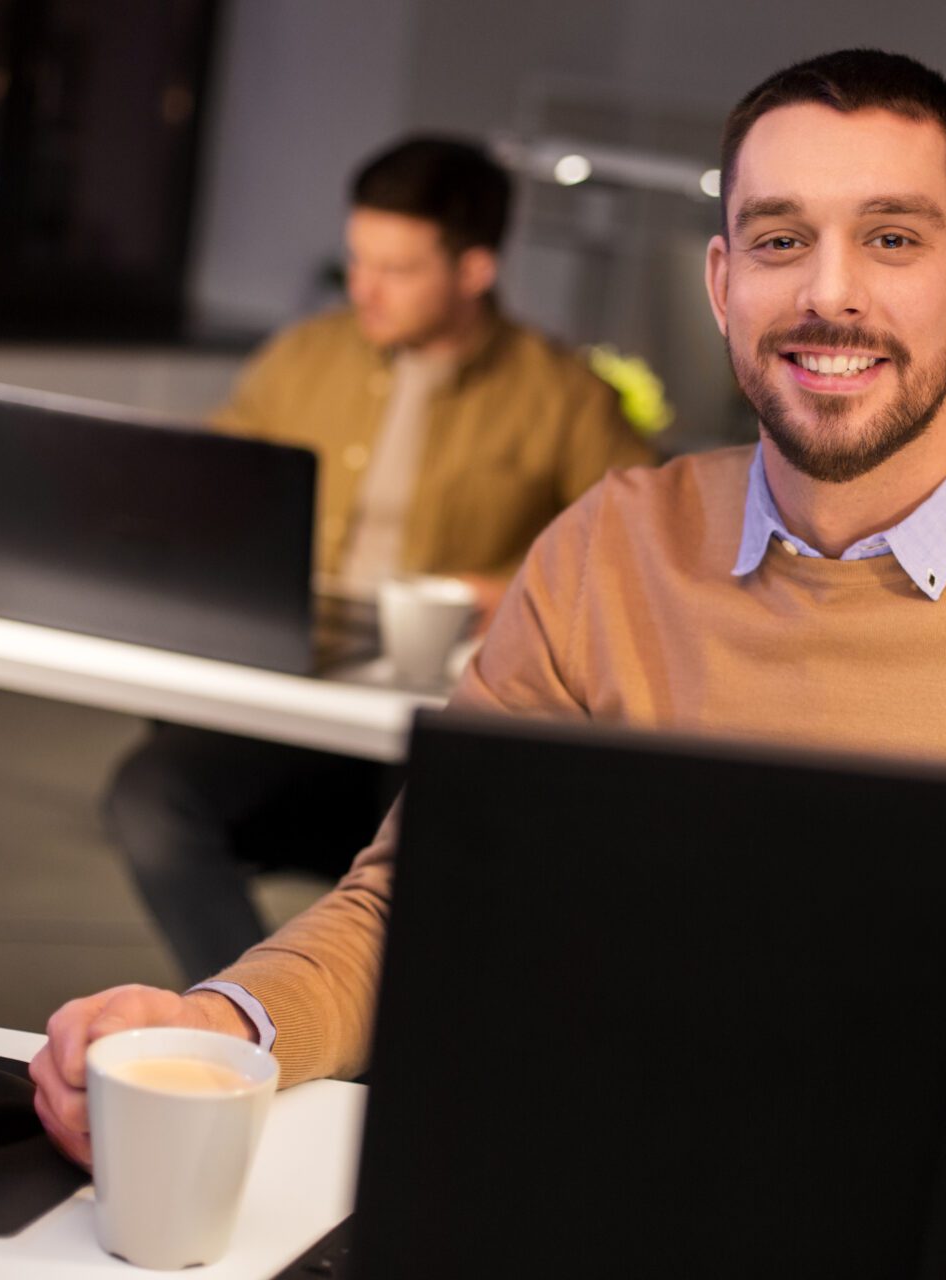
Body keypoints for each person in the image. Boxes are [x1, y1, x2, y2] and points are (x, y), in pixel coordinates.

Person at [34, 49, 946, 1167]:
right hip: (590, 1180)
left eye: (892, 239)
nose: (831, 295)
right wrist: (215, 1017)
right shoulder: (608, 549)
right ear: (723, 281)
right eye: (779, 241)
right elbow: (422, 907)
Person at [103, 137, 654, 985]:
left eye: (396, 268)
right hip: (288, 697)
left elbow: (642, 556)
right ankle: (251, 1016)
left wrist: (507, 592)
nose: (364, 287)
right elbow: (202, 498)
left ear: (475, 269)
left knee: (432, 854)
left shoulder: (563, 396)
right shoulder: (305, 357)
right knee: (148, 802)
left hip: (430, 725)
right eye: (358, 259)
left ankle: (366, 1039)